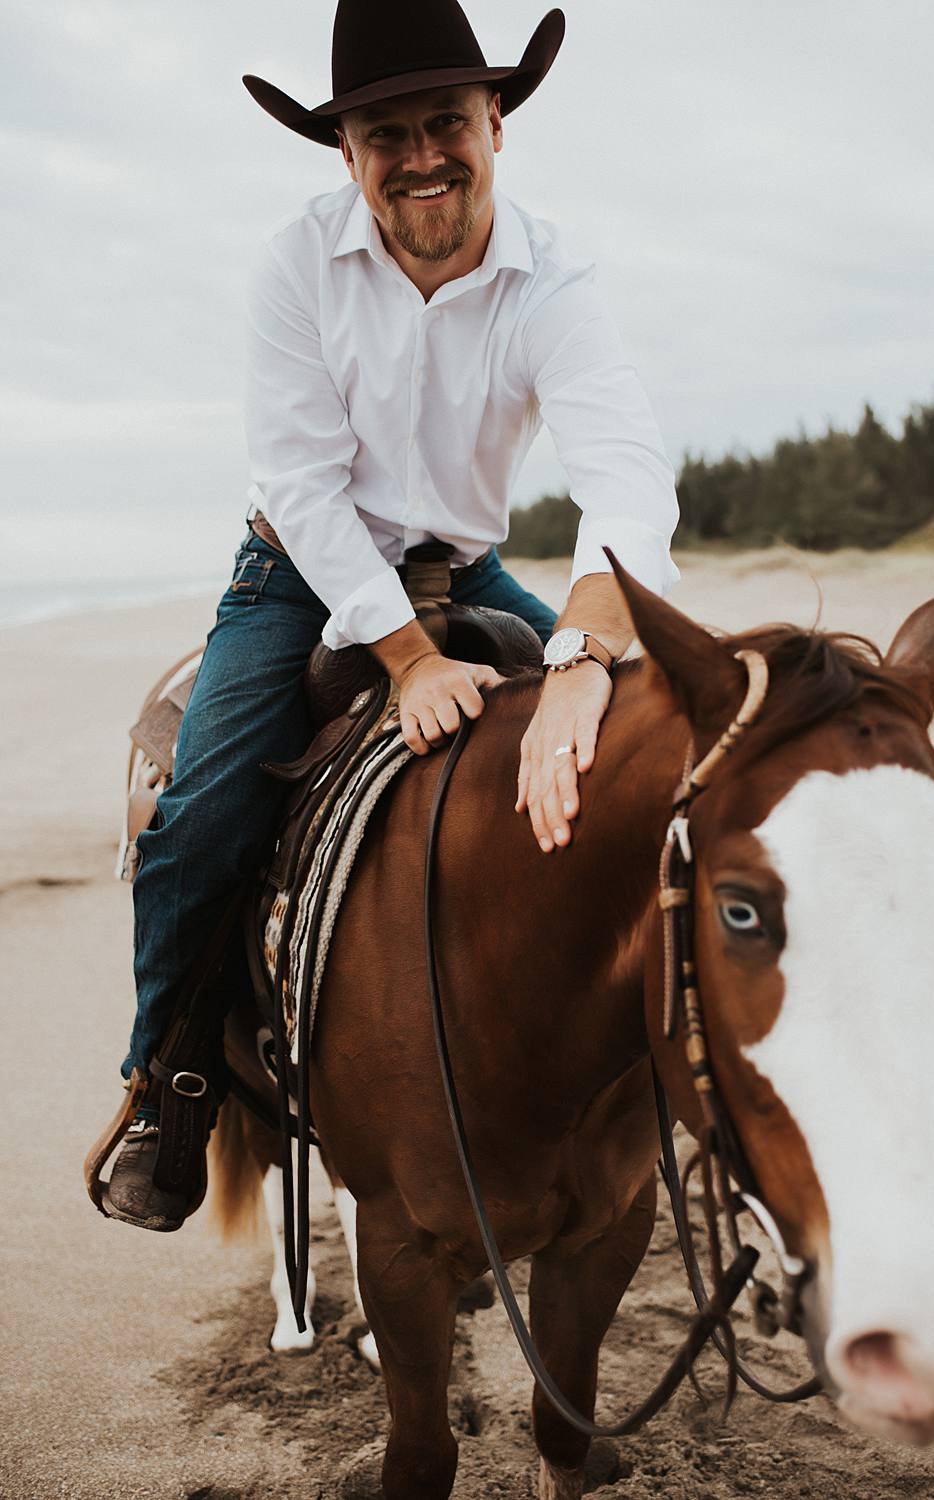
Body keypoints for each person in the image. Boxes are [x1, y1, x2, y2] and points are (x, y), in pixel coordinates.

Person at [103, 0, 680, 1231]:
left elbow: (625, 468)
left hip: (464, 568)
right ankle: (171, 1082)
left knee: (657, 749)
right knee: (201, 814)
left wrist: (580, 657)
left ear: (495, 126)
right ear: (346, 151)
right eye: (386, 134)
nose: (421, 155)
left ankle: (666, 1074)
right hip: (294, 574)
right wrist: (409, 661)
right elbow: (305, 490)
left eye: (444, 123)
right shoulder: (294, 263)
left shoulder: (554, 275)